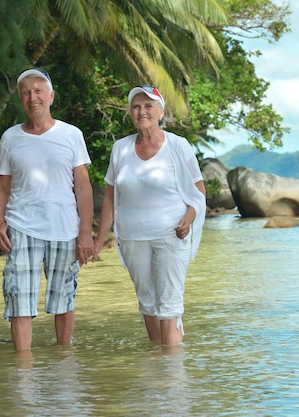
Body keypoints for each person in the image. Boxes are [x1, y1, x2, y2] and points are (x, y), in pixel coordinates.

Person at [93, 85, 206, 348]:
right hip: (132, 238)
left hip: (170, 235)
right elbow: (111, 196)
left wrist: (188, 219)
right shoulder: (120, 148)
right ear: (130, 113)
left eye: (148, 106)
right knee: (147, 302)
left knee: (169, 305)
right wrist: (99, 240)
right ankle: (158, 369)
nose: (141, 111)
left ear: (160, 112)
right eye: (136, 106)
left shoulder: (178, 146)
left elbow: (198, 192)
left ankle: (172, 378)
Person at [0, 68, 95, 352]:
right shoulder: (10, 138)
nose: (32, 97)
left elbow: (83, 187)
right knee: (19, 299)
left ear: (51, 96)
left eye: (39, 91)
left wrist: (86, 232)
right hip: (21, 226)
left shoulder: (71, 135)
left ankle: (64, 362)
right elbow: (2, 186)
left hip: (64, 228)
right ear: (20, 99)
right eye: (26, 92)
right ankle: (23, 370)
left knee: (64, 299)